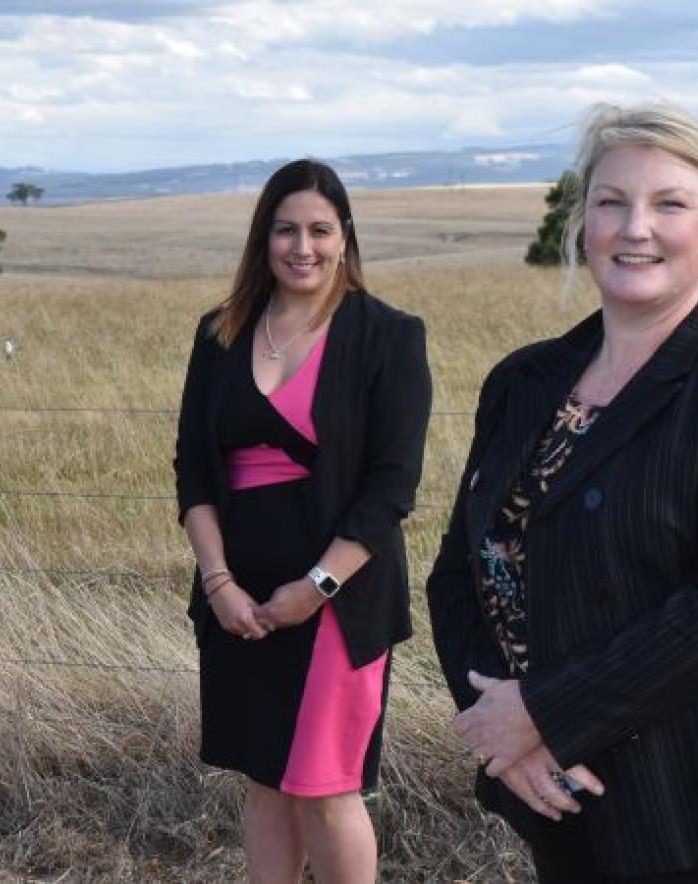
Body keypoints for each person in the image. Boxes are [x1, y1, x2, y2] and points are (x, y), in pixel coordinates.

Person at [427, 101, 698, 882]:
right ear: (583, 220)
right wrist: (504, 736)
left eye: (669, 203)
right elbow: (460, 575)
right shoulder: (524, 381)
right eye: (611, 202)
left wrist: (542, 715)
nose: (635, 227)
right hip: (561, 801)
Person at [173, 159, 431, 883]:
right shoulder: (219, 334)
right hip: (240, 602)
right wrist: (219, 583)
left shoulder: (389, 337)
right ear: (263, 239)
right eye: (286, 230)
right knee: (263, 781)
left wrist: (316, 586)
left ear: (345, 237)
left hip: (337, 602)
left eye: (320, 230)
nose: (303, 247)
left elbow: (392, 487)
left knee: (323, 788)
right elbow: (194, 470)